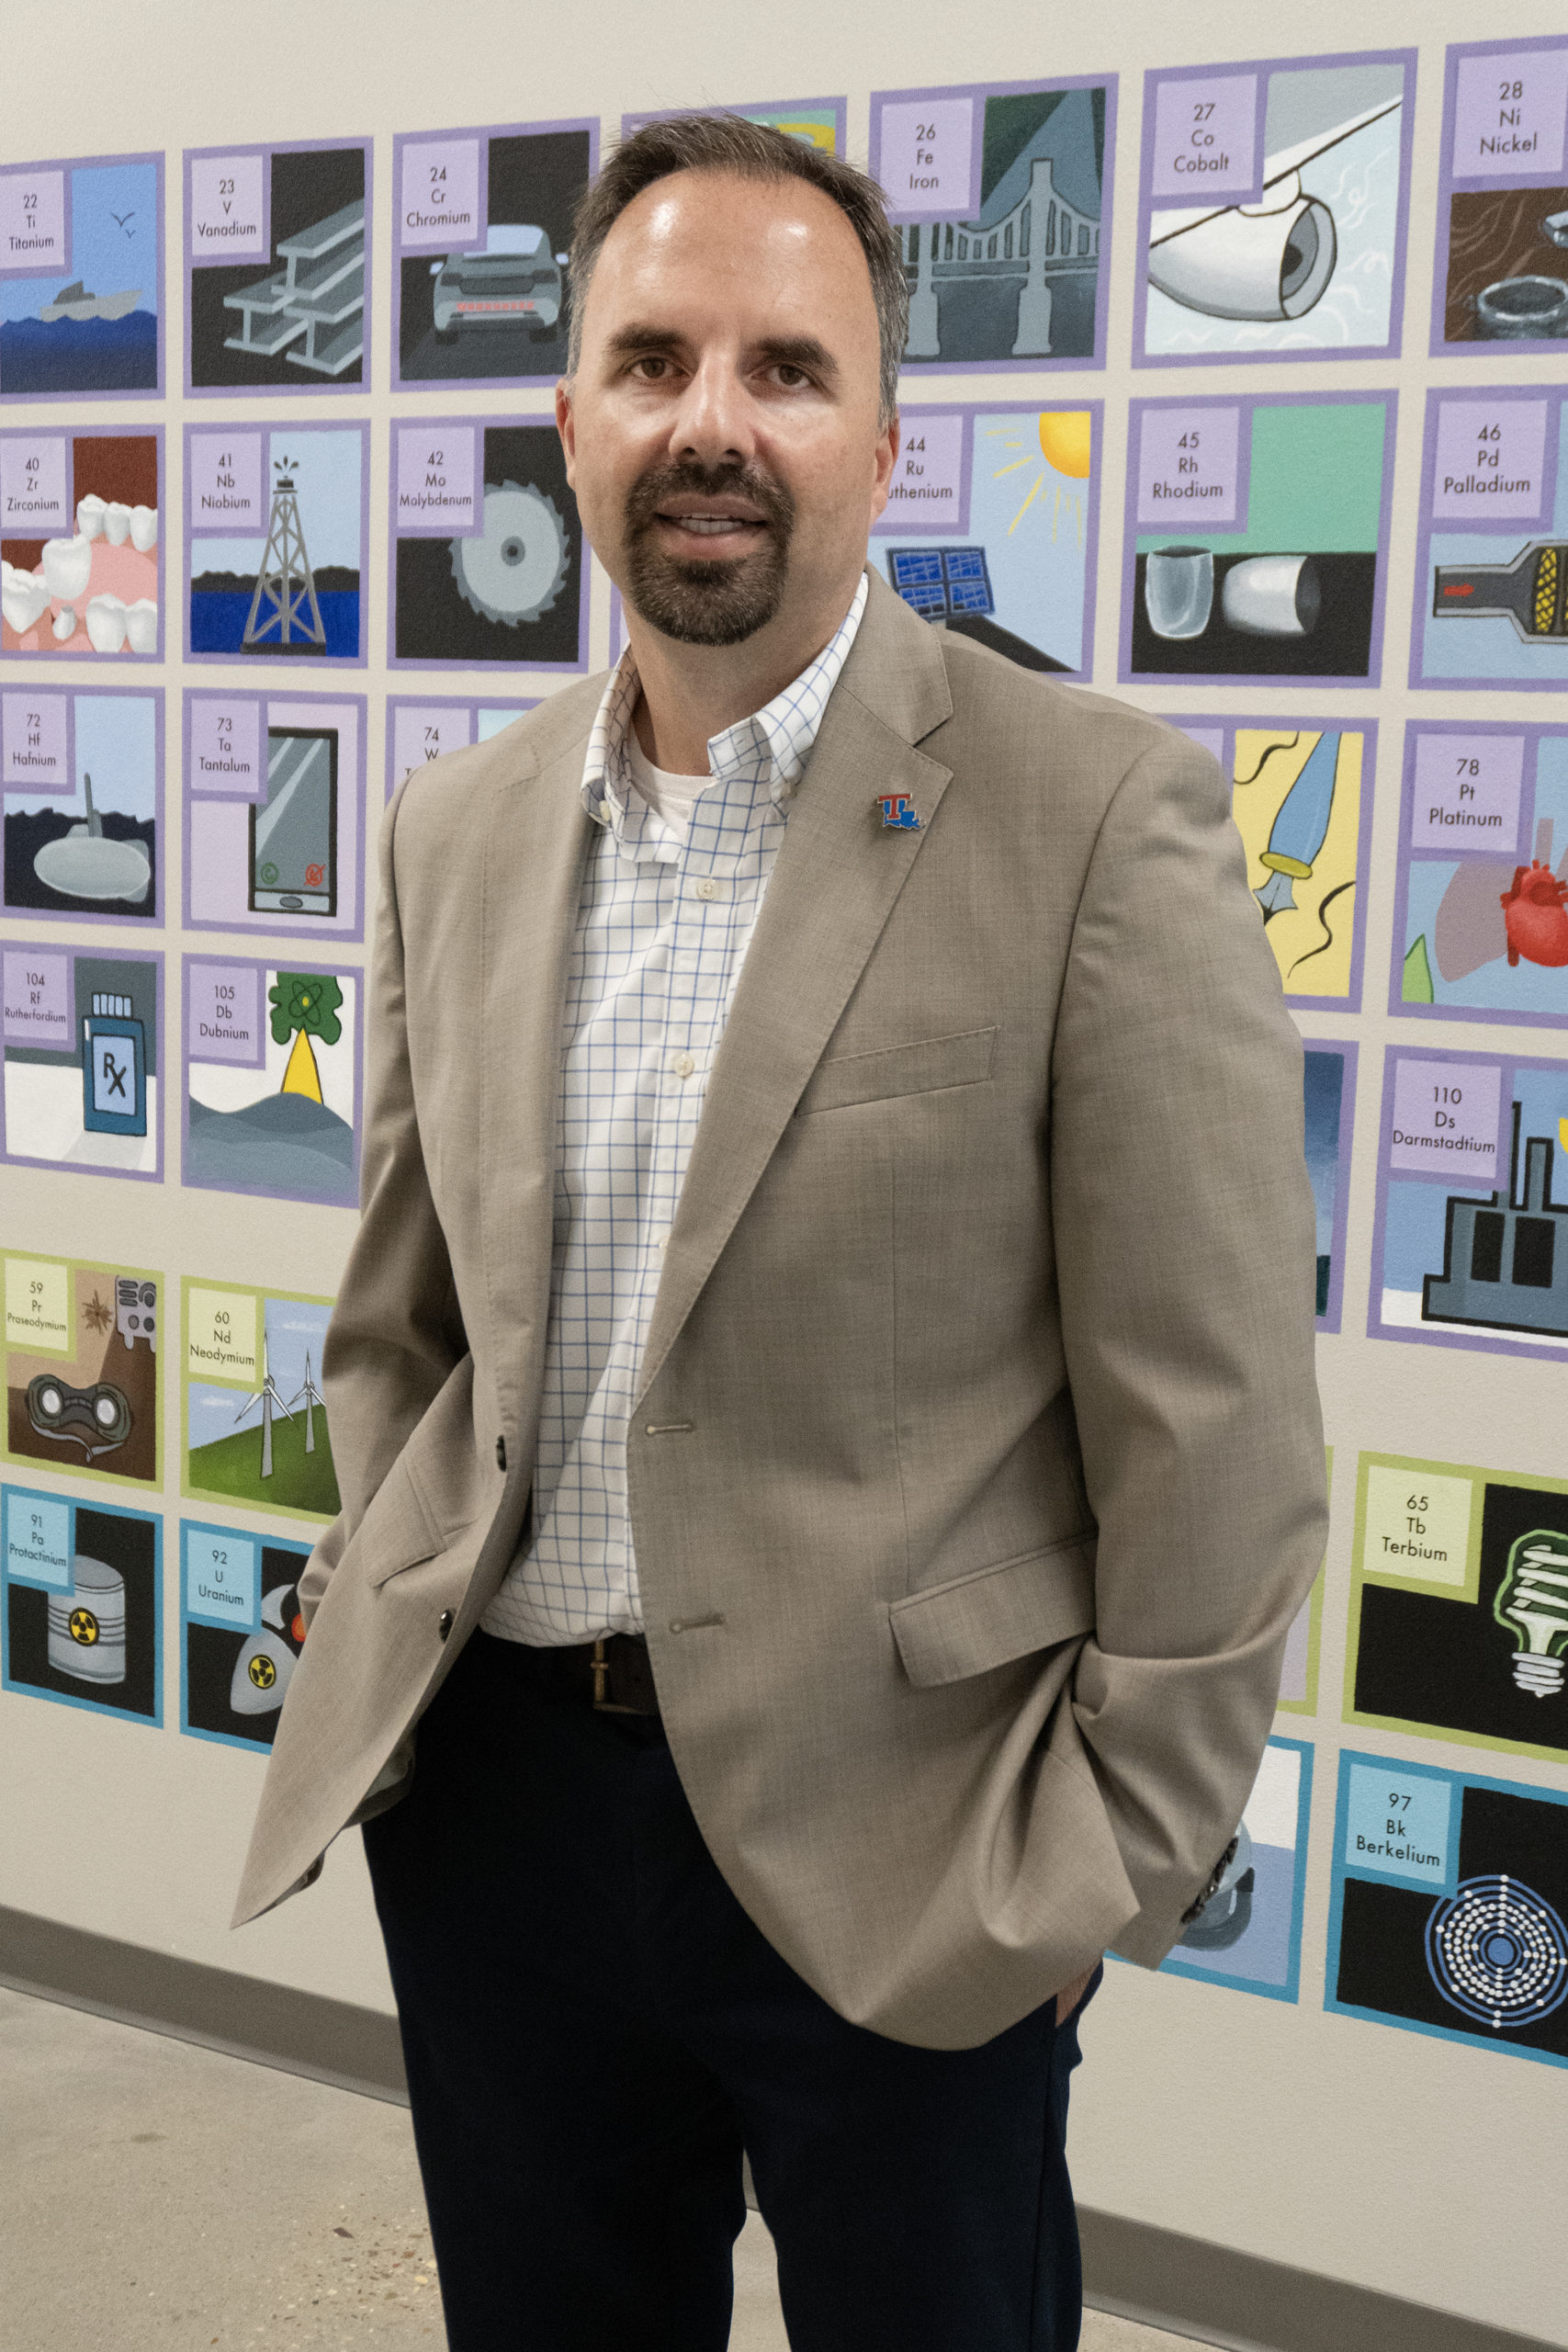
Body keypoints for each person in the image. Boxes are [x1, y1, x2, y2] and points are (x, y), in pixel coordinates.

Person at [236, 113, 1326, 2352]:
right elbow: (400, 1324)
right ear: (569, 418)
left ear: (881, 435)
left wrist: (1085, 1870)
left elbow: (1212, 1422)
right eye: (650, 359)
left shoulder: (1091, 816)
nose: (708, 423)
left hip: (910, 1834)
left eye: (782, 368)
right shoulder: (453, 826)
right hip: (508, 1821)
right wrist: (404, 1588)